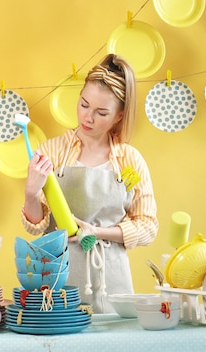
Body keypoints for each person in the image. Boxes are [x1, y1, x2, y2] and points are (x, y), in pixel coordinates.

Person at [20, 54, 159, 313]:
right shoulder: (52, 151)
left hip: (112, 282)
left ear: (119, 117)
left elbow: (148, 226)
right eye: (84, 105)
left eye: (101, 112)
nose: (88, 118)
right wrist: (31, 193)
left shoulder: (129, 160)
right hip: (58, 278)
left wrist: (97, 232)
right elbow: (36, 227)